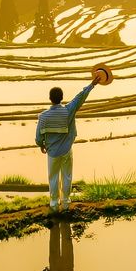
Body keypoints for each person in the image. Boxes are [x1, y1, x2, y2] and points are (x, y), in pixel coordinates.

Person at [35, 75, 98, 212]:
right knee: (67, 176)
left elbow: (38, 136)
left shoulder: (43, 116)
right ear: (62, 98)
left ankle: (53, 203)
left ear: (50, 99)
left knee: (53, 177)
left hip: (52, 152)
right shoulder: (68, 110)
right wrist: (92, 84)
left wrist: (41, 145)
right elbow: (80, 97)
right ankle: (65, 203)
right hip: (66, 150)